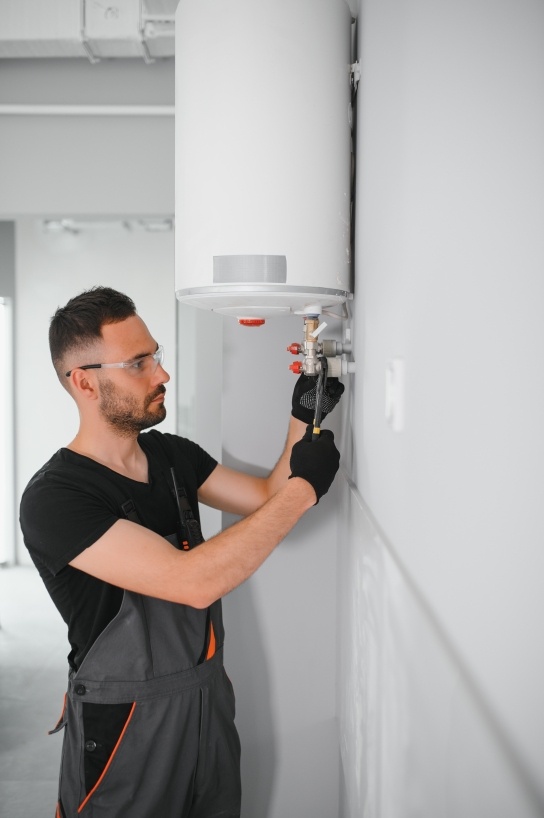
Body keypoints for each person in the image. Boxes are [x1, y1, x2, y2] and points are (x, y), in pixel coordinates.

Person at [19, 286, 342, 818]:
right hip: (127, 724)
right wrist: (305, 492)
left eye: (157, 356)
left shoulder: (173, 456)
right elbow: (192, 581)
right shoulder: (57, 498)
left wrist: (306, 408)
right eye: (139, 363)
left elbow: (265, 496)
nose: (162, 374)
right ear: (83, 382)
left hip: (207, 703)